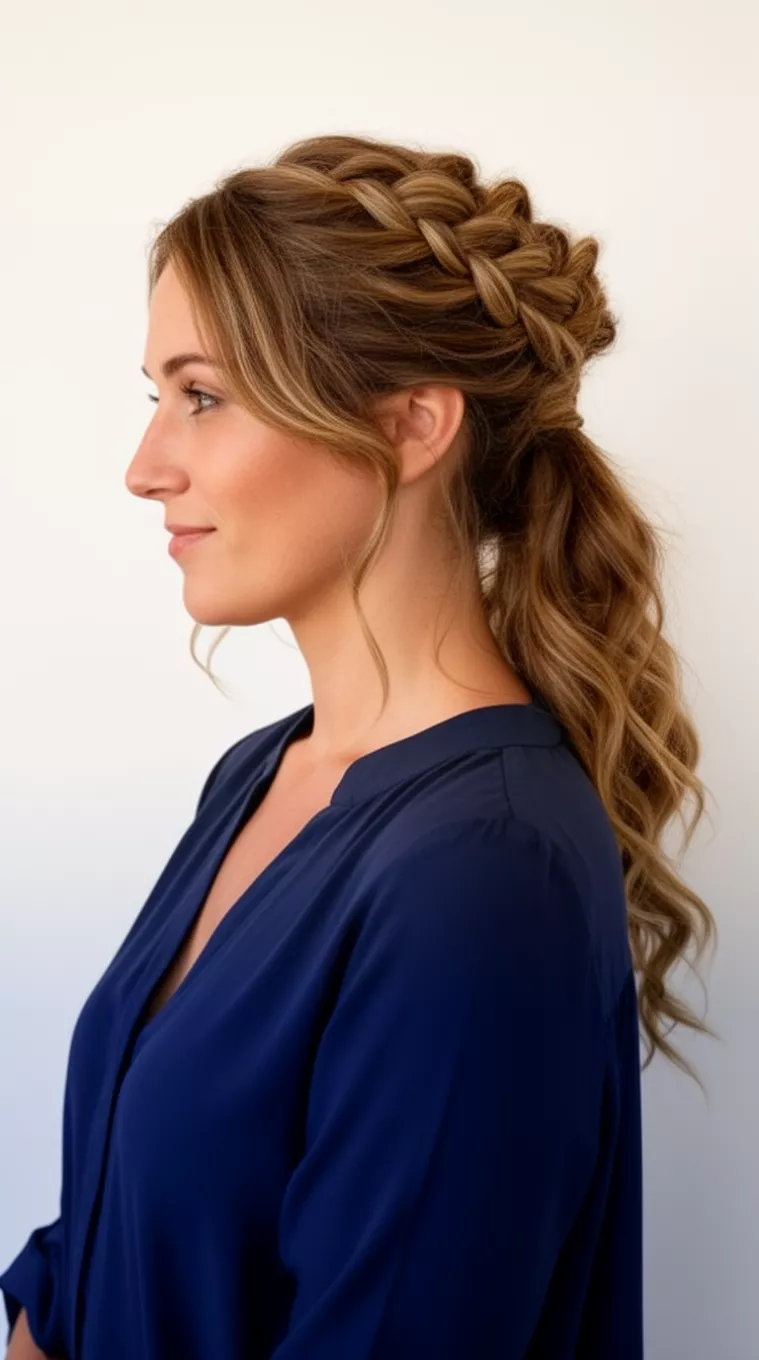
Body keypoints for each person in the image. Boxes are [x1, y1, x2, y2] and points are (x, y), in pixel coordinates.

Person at [1, 132, 717, 1360]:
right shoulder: (264, 777)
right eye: (155, 396)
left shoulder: (483, 866)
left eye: (203, 395)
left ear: (410, 427)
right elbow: (119, 1240)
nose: (144, 465)